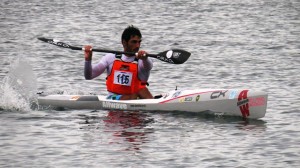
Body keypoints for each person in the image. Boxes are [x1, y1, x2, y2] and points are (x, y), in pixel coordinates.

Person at [84, 25, 154, 100]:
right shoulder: (111, 58)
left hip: (136, 99)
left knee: (142, 90)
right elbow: (89, 76)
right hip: (113, 98)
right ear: (124, 42)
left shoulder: (142, 60)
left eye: (139, 42)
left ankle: (154, 105)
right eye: (134, 42)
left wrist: (145, 58)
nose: (137, 45)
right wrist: (88, 60)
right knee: (136, 94)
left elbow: (149, 66)